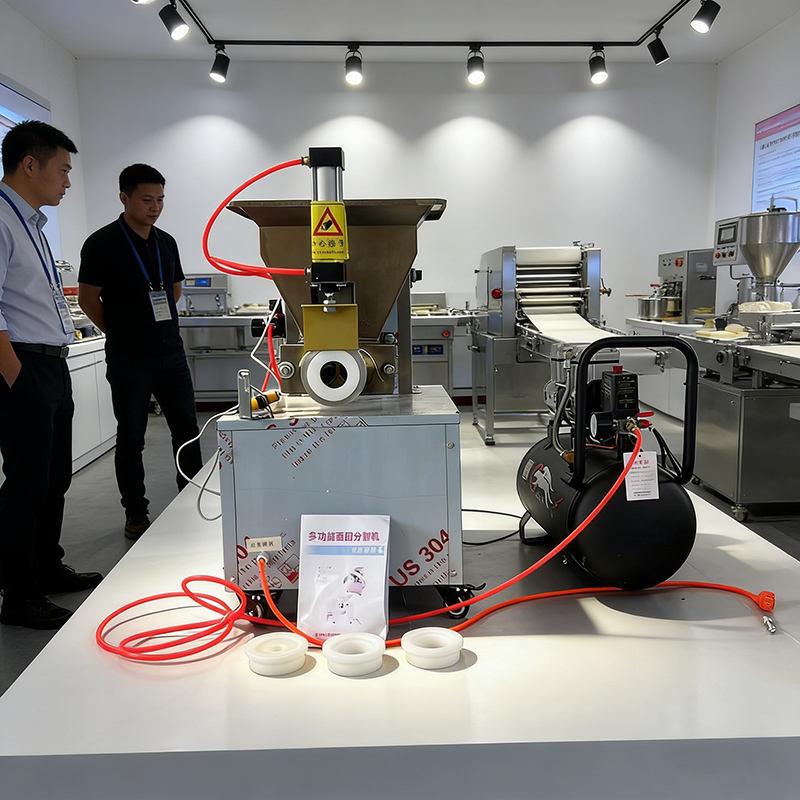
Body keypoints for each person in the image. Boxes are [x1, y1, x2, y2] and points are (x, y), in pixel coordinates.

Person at [0, 120, 103, 630]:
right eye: (62, 170)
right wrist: (16, 376)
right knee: (26, 482)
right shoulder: (1, 219)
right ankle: (19, 595)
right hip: (23, 365)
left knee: (53, 477)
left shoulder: (32, 224)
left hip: (49, 363)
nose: (66, 181)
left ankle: (45, 567)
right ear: (29, 164)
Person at [78, 164, 202, 540]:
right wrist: (120, 331)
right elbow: (88, 300)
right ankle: (135, 512)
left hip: (170, 353)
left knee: (187, 430)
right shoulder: (101, 243)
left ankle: (192, 500)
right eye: (147, 199)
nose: (155, 207)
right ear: (124, 197)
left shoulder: (166, 242)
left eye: (160, 199)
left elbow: (174, 290)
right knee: (131, 436)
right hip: (129, 357)